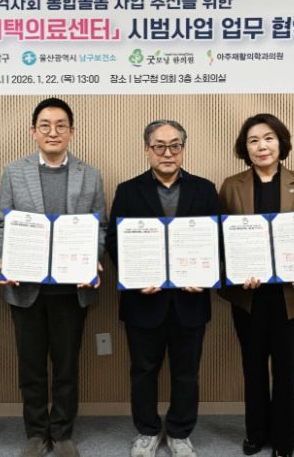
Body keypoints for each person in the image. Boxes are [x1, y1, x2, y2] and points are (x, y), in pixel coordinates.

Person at [0, 97, 107, 457]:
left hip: (71, 289)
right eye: (45, 125)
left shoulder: (90, 174)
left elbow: (99, 226)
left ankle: (62, 432)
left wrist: (93, 259)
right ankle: (35, 433)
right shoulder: (14, 172)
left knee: (66, 366)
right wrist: (5, 257)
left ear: (71, 131)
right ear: (34, 131)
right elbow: (3, 222)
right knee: (30, 367)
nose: (53, 132)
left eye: (61, 125)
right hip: (26, 286)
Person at [106, 120, 220, 457]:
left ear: (183, 149)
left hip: (191, 299)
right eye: (159, 146)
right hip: (144, 300)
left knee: (187, 372)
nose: (167, 153)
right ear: (147, 150)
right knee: (143, 371)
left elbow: (216, 240)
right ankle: (147, 430)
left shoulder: (205, 189)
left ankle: (180, 432)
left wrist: (206, 275)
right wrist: (135, 277)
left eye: (175, 145)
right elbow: (114, 240)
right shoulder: (128, 190)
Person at [218, 114, 294, 457]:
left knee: (286, 369)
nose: (261, 146)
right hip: (249, 295)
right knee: (253, 366)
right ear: (244, 148)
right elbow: (222, 240)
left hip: (292, 294)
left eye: (268, 138)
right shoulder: (231, 185)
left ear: (281, 142)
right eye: (253, 140)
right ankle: (256, 433)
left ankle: (284, 440)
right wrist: (236, 271)